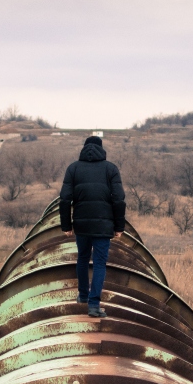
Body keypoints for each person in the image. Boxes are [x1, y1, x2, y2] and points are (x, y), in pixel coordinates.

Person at [60, 135, 125, 318]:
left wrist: (66, 225)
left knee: (82, 258)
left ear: (84, 148)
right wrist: (119, 226)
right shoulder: (110, 169)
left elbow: (65, 199)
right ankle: (94, 305)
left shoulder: (73, 168)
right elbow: (119, 199)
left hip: (81, 223)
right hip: (104, 225)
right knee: (99, 263)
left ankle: (82, 295)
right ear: (101, 149)